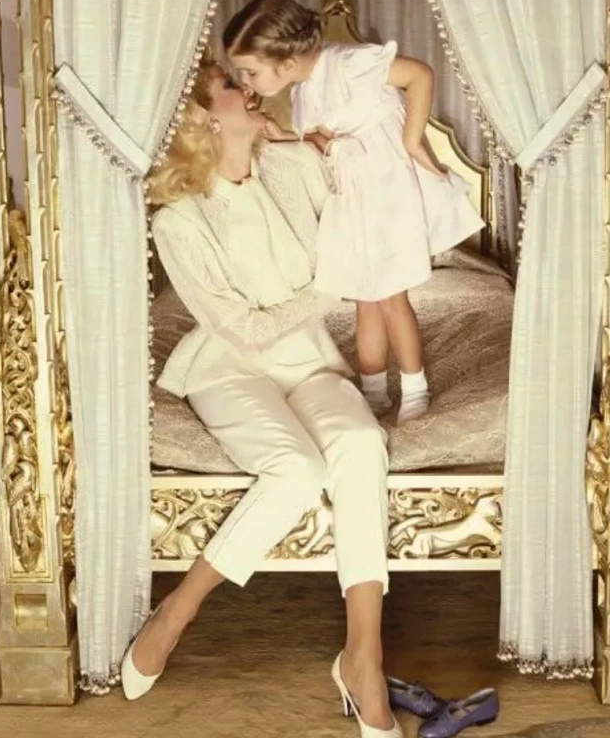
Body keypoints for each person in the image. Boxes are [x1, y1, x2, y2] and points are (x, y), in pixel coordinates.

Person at [121, 53, 403, 738]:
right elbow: (243, 329)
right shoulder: (178, 221)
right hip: (229, 368)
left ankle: (363, 659)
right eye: (231, 84)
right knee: (297, 470)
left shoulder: (294, 166)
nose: (250, 89)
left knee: (362, 443)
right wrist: (328, 289)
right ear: (201, 119)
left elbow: (363, 222)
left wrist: (317, 148)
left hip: (310, 360)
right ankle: (177, 611)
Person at [223, 0, 484, 423]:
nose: (245, 81)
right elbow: (326, 141)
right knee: (366, 296)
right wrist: (282, 135)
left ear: (285, 62)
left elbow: (419, 74)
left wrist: (412, 139)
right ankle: (374, 391)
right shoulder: (303, 89)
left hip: (386, 188)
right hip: (354, 193)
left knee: (390, 293)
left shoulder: (348, 63)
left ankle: (415, 388)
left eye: (250, 71)